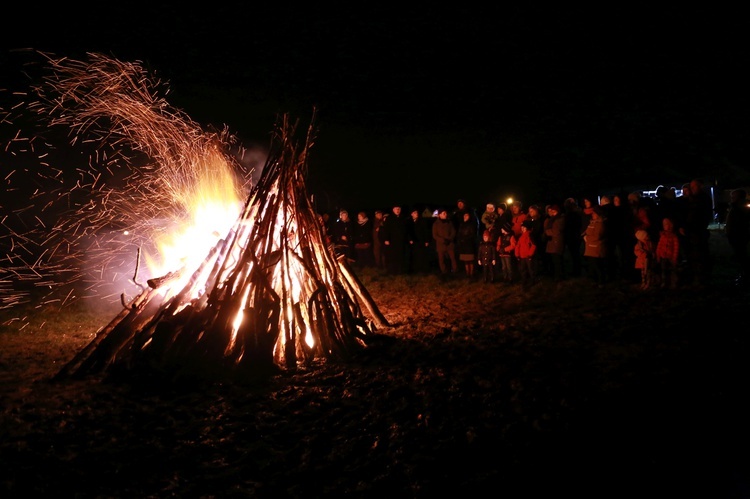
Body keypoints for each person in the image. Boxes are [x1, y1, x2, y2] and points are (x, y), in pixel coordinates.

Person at [682, 179, 714, 286]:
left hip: (697, 230)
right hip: (694, 230)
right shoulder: (695, 199)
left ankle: (701, 277)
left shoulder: (702, 199)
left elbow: (699, 216)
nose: (691, 189)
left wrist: (692, 226)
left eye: (693, 187)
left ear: (700, 186)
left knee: (699, 254)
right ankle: (698, 276)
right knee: (695, 254)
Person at [724, 188, 750, 287]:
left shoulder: (741, 207)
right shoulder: (736, 207)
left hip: (739, 235)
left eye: (733, 196)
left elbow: (740, 222)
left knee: (742, 256)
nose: (731, 198)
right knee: (741, 256)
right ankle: (744, 274)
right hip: (736, 235)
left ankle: (745, 276)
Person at [582, 205, 607, 286]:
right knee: (593, 265)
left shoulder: (600, 224)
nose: (592, 214)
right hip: (591, 248)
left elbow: (597, 236)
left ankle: (601, 282)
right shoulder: (592, 222)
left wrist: (587, 238)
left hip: (596, 249)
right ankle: (594, 280)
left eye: (594, 213)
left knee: (598, 266)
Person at [381, 204, 409, 275]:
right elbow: (386, 230)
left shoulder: (403, 218)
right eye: (396, 209)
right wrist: (386, 239)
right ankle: (393, 271)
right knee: (393, 257)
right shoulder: (389, 218)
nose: (397, 210)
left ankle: (401, 271)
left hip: (401, 241)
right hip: (392, 241)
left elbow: (406, 230)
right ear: (393, 210)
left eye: (399, 209)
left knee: (401, 256)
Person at [655, 217, 680, 289]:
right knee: (664, 270)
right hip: (663, 256)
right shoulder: (663, 236)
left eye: (666, 224)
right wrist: (658, 254)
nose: (665, 226)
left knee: (672, 270)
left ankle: (673, 283)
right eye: (664, 224)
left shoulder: (674, 237)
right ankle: (664, 282)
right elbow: (659, 246)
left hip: (670, 257)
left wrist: (674, 257)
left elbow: (676, 248)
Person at [543, 204, 566, 282]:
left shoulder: (560, 219)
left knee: (558, 261)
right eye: (551, 211)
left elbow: (556, 231)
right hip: (551, 242)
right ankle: (555, 275)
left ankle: (559, 276)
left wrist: (547, 232)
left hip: (557, 242)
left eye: (554, 211)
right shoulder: (551, 220)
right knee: (554, 260)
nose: (552, 213)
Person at [432, 208, 458, 274]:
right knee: (441, 259)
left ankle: (454, 270)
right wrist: (442, 240)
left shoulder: (449, 222)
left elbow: (453, 231)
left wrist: (450, 239)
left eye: (446, 213)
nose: (445, 215)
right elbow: (435, 235)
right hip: (441, 245)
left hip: (450, 244)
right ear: (440, 215)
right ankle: (444, 271)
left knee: (453, 258)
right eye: (444, 213)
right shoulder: (436, 224)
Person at [563, 197, 584, 277]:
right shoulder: (574, 213)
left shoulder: (573, 214)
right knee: (574, 254)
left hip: (573, 236)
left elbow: (572, 225)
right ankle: (576, 270)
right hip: (573, 236)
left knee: (575, 254)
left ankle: (576, 271)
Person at [514, 219, 537, 289]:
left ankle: (533, 279)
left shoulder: (529, 235)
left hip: (528, 256)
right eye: (522, 227)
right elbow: (518, 246)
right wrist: (517, 254)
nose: (522, 228)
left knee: (530, 268)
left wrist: (530, 254)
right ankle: (524, 280)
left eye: (524, 227)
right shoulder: (521, 236)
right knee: (523, 269)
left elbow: (533, 245)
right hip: (522, 256)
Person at [408, 207, 432, 274]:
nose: (416, 214)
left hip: (421, 241)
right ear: (412, 214)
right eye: (415, 213)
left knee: (422, 255)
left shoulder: (422, 221)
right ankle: (415, 269)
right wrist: (410, 239)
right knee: (414, 255)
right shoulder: (409, 221)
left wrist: (426, 240)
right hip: (413, 242)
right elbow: (408, 231)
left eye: (417, 212)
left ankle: (423, 269)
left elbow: (426, 231)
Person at [456, 211, 478, 278]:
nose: (465, 217)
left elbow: (472, 234)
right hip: (463, 245)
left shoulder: (471, 225)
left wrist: (466, 239)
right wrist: (460, 240)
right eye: (464, 216)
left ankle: (471, 273)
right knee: (465, 261)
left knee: (470, 260)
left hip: (469, 244)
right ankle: (467, 273)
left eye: (467, 216)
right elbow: (459, 233)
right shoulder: (461, 225)